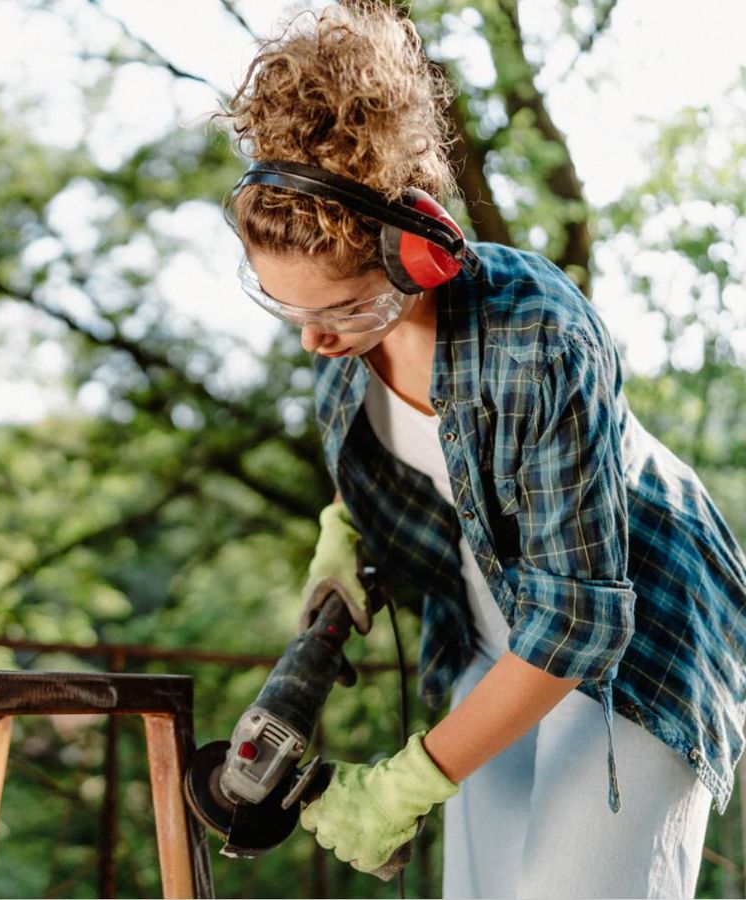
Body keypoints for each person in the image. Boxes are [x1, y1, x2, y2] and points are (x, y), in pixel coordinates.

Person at [219, 3, 746, 897]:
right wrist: (347, 532)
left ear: (421, 250)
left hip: (632, 639)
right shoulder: (342, 363)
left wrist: (406, 782)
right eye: (291, 313)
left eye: (340, 309)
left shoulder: (536, 333)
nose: (314, 342)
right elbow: (420, 470)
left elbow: (581, 618)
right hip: (493, 640)